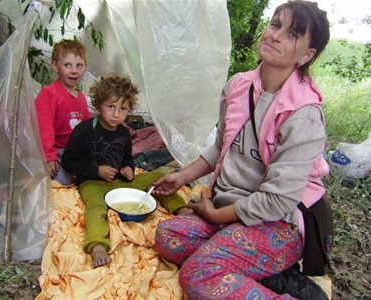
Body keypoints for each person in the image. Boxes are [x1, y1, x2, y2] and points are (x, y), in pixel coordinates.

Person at [152, 1, 332, 299]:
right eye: (275, 25)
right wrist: (182, 177)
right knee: (168, 237)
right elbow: (222, 147)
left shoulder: (304, 115)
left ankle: (278, 286)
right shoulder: (238, 86)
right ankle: (266, 274)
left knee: (197, 275)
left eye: (292, 34)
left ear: (307, 55)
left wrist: (215, 215)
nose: (276, 35)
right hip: (229, 211)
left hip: (276, 224)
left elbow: (276, 201)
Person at [61, 73, 190, 268]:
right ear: (98, 105)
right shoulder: (84, 131)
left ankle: (181, 209)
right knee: (96, 207)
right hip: (93, 182)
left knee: (159, 177)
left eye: (123, 109)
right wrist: (96, 170)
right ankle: (97, 245)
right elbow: (69, 161)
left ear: (129, 111)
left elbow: (127, 158)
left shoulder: (124, 133)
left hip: (121, 182)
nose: (116, 114)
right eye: (110, 106)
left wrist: (128, 168)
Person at [35, 39, 91, 185]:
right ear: (55, 66)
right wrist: (49, 157)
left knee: (94, 173)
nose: (74, 71)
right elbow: (44, 129)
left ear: (85, 67)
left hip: (76, 152)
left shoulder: (82, 98)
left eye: (79, 66)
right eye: (67, 65)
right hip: (58, 150)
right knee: (63, 180)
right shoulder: (49, 94)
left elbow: (87, 129)